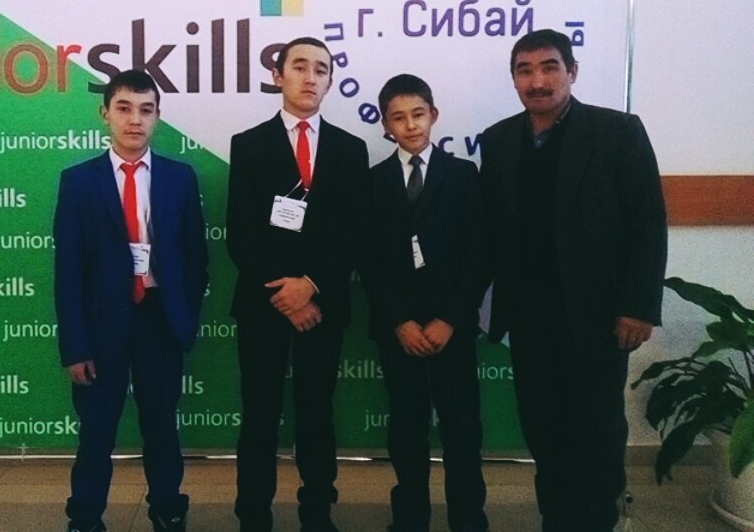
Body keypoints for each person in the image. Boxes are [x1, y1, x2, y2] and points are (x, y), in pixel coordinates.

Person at [479, 29, 667, 532]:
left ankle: (600, 520)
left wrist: (638, 305)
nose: (537, 81)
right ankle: (557, 519)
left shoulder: (617, 132)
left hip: (600, 317)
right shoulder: (498, 140)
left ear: (572, 72)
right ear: (514, 79)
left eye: (549, 67)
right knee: (543, 429)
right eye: (525, 70)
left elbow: (647, 222)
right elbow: (493, 230)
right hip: (529, 316)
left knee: (597, 430)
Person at [53, 70, 209, 532]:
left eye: (146, 110)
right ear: (105, 114)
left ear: (157, 117)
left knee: (161, 425)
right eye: (124, 108)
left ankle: (167, 508)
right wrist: (75, 345)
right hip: (101, 328)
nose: (135, 120)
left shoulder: (180, 178)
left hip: (160, 321)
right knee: (97, 431)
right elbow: (68, 272)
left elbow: (196, 257)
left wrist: (184, 317)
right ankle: (85, 517)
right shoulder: (79, 182)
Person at [226, 36, 369, 532]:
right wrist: (285, 295)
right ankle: (253, 515)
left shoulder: (351, 149)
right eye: (300, 66)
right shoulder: (248, 145)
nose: (310, 77)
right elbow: (241, 233)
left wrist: (309, 285)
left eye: (321, 69)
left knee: (316, 414)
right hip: (264, 304)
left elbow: (357, 233)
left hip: (322, 305)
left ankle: (317, 513)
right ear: (278, 76)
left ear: (330, 81)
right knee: (259, 415)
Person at [361, 74, 489, 532]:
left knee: (462, 428)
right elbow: (367, 260)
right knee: (406, 427)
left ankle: (468, 519)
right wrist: (399, 321)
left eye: (418, 114)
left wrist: (449, 319)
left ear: (433, 115)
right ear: (385, 125)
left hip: (451, 327)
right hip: (400, 330)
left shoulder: (464, 175)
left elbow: (479, 254)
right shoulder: (372, 182)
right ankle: (410, 518)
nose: (410, 125)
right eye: (398, 118)